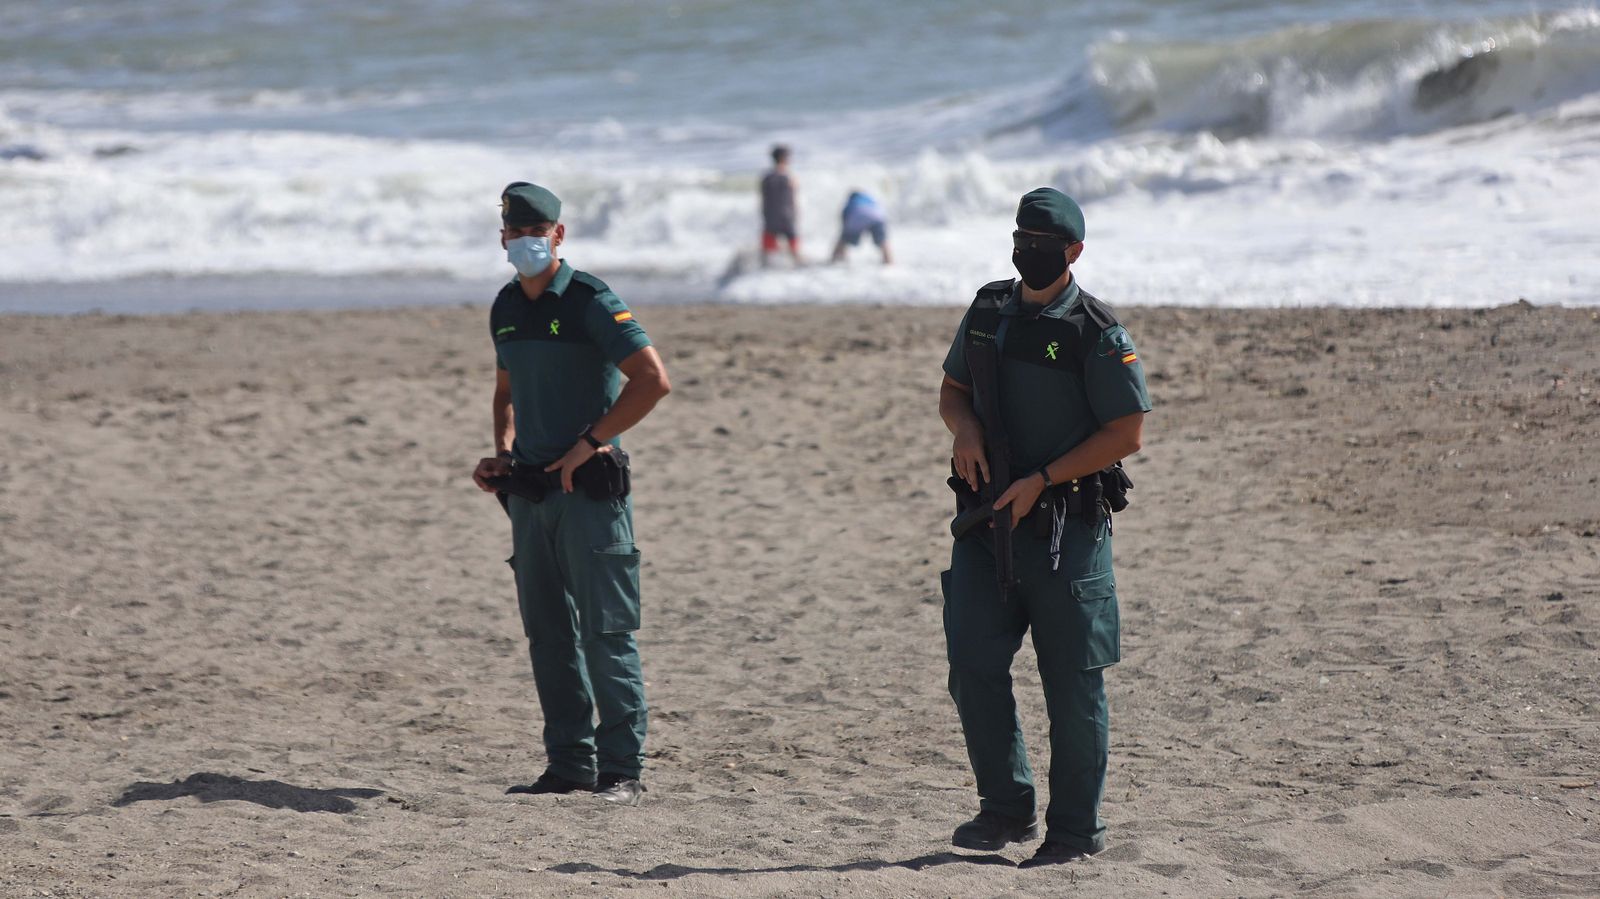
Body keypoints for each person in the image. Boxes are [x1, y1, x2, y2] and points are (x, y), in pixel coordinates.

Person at [937, 187, 1150, 867]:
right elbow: (953, 389)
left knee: (1072, 683)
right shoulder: (989, 308)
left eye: (1043, 243)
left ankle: (1074, 832)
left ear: (1074, 252)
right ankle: (1006, 808)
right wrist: (963, 428)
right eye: (1020, 237)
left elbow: (1128, 431)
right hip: (987, 520)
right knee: (972, 664)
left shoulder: (1095, 330)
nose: (1028, 250)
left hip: (1067, 528)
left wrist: (1044, 479)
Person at [472, 182, 671, 807]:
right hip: (530, 499)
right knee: (548, 635)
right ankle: (569, 764)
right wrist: (502, 455)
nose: (525, 241)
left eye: (537, 231)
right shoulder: (505, 305)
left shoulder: (589, 300)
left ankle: (622, 769)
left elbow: (653, 381)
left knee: (607, 633)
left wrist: (591, 441)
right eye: (515, 232)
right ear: (502, 238)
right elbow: (506, 391)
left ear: (559, 236)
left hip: (589, 495)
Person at [759, 144, 801, 267]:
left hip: (770, 217)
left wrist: (765, 215)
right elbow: (792, 199)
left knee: (766, 255)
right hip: (786, 217)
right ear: (783, 158)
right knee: (794, 252)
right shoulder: (788, 177)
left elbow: (763, 200)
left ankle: (762, 276)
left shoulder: (766, 177)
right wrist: (795, 214)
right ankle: (797, 271)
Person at [830, 190, 892, 265]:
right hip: (878, 217)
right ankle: (888, 260)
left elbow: (844, 217)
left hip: (857, 216)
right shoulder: (869, 199)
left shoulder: (851, 202)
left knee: (844, 239)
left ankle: (837, 258)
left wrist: (846, 233)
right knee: (882, 241)